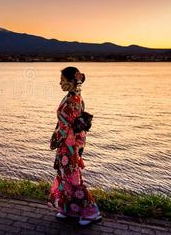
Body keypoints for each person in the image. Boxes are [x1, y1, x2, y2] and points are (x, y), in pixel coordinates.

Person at [48, 66, 101, 226]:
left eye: (63, 80)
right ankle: (69, 209)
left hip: (69, 145)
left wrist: (54, 140)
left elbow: (65, 128)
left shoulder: (71, 100)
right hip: (74, 143)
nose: (60, 83)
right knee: (66, 176)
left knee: (73, 178)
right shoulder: (77, 97)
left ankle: (91, 212)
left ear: (71, 82)